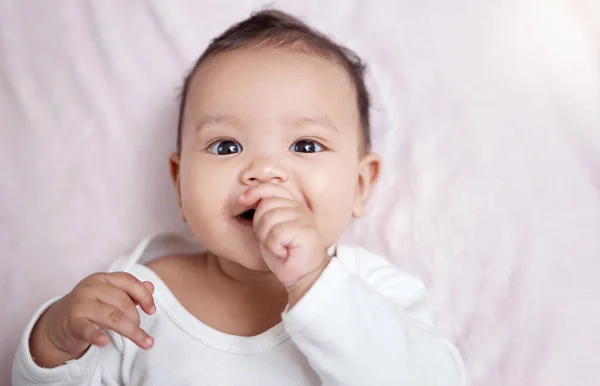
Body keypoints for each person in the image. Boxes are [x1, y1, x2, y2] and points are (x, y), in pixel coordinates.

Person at [13, 9, 466, 385]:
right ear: (180, 186)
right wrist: (54, 344)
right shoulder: (141, 296)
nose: (264, 171)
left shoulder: (374, 293)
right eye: (226, 146)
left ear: (360, 185)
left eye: (305, 146)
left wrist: (315, 282)